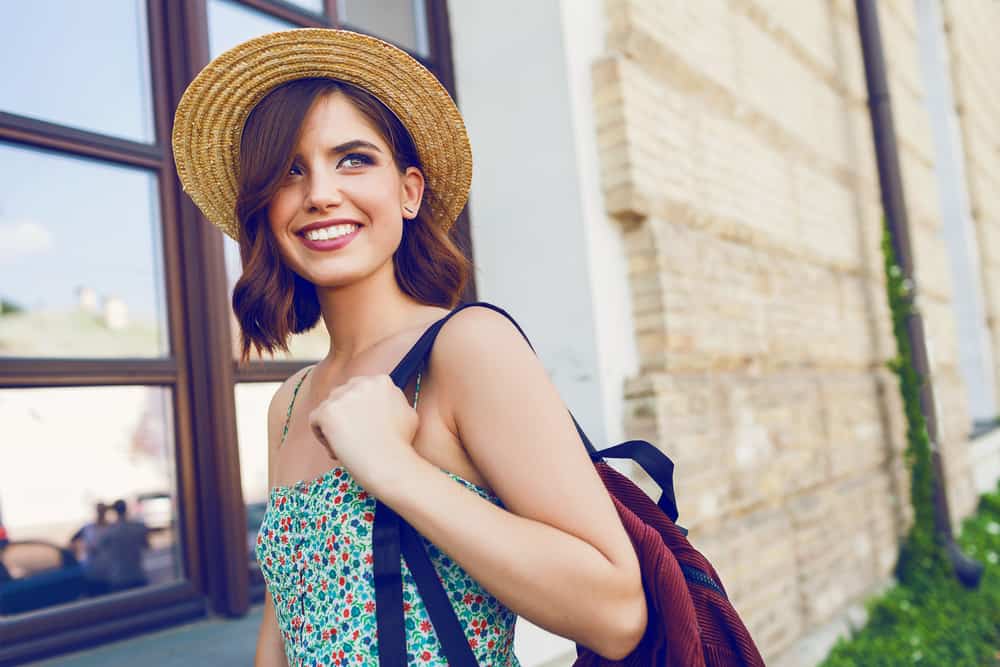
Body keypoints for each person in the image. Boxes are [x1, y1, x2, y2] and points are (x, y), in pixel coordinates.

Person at [172, 28, 647, 666]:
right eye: (290, 171)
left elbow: (616, 614)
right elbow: (283, 627)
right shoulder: (286, 405)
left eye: (353, 159)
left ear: (409, 191)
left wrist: (393, 470)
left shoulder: (465, 348)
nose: (319, 193)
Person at [97, 498, 150, 593]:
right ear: (126, 509)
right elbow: (146, 545)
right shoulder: (138, 527)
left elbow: (100, 550)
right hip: (136, 574)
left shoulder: (109, 531)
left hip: (119, 577)